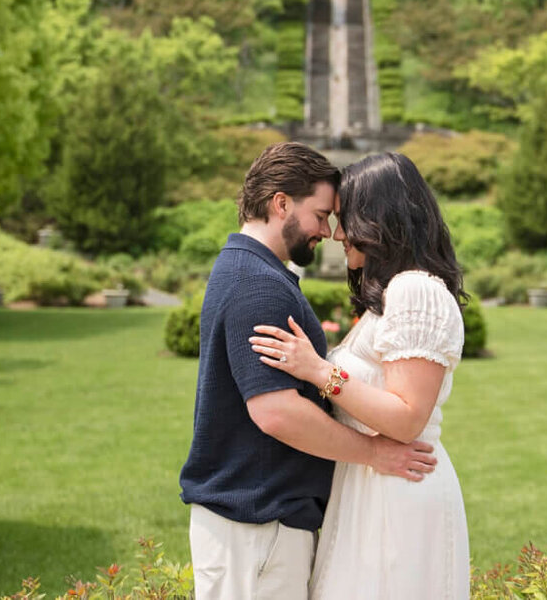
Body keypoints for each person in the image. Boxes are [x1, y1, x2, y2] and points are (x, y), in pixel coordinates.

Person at [179, 141, 439, 600]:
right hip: (257, 525)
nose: (329, 231)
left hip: (257, 522)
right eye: (321, 215)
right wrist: (374, 454)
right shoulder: (258, 285)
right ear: (281, 203)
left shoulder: (247, 271)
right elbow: (277, 413)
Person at [250, 151, 470, 600]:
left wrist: (318, 370)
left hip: (397, 492)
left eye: (345, 218)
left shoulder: (416, 290)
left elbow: (408, 418)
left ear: (379, 219)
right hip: (371, 485)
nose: (336, 233)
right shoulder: (392, 295)